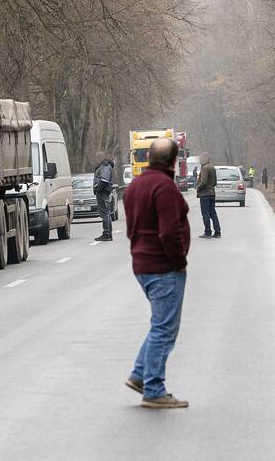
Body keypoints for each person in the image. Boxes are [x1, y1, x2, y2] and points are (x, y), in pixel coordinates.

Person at [123, 138, 189, 409]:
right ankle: (154, 389)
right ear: (174, 161)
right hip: (163, 267)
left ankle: (140, 375)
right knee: (165, 329)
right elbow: (169, 232)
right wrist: (179, 262)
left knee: (159, 325)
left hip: (142, 264)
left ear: (148, 157)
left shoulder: (135, 186)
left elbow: (131, 228)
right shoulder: (165, 188)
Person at [195, 153, 220, 239]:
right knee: (213, 213)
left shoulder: (205, 168)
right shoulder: (212, 167)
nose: (200, 160)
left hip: (205, 194)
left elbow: (204, 181)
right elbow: (215, 182)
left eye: (201, 159)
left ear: (205, 159)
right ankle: (217, 232)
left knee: (205, 214)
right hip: (212, 193)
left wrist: (197, 188)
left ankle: (208, 232)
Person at [92, 154, 116, 242]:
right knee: (106, 212)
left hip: (103, 191)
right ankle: (108, 233)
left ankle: (106, 233)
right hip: (104, 191)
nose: (96, 159)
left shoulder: (105, 166)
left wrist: (98, 189)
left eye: (97, 157)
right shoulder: (105, 165)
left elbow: (104, 180)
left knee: (105, 213)